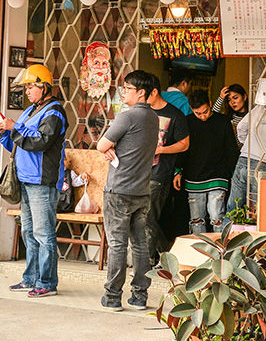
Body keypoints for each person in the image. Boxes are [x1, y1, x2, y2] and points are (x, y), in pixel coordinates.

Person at [0, 64, 68, 298]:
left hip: (42, 181)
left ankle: (47, 282)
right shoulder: (30, 111)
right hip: (25, 179)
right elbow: (17, 143)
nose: (27, 91)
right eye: (26, 87)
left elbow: (40, 142)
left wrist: (13, 126)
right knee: (28, 231)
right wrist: (4, 132)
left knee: (43, 233)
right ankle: (31, 278)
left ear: (45, 87)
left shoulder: (54, 112)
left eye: (31, 87)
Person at [96, 69, 159, 311]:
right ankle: (140, 296)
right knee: (140, 244)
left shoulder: (127, 117)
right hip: (142, 191)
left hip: (119, 189)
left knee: (118, 244)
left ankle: (112, 297)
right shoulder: (153, 118)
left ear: (141, 92)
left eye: (128, 88)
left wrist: (108, 148)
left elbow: (102, 144)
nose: (123, 92)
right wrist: (111, 148)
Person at [175, 90, 239, 234]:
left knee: (217, 217)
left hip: (218, 176)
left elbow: (231, 149)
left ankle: (219, 251)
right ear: (192, 109)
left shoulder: (223, 121)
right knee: (196, 220)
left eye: (205, 111)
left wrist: (234, 173)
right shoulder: (187, 122)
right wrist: (177, 171)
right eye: (198, 113)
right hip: (193, 177)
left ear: (210, 104)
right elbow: (182, 149)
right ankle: (200, 254)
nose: (203, 116)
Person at [146, 80, 189, 265]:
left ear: (154, 92)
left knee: (147, 217)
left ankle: (146, 261)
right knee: (145, 218)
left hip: (159, 173)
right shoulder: (142, 112)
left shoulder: (175, 114)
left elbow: (185, 144)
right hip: (138, 173)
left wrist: (161, 150)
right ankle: (169, 256)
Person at [224, 101, 266, 217]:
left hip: (244, 159)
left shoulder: (259, 109)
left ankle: (225, 233)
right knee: (260, 211)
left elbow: (241, 127)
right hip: (264, 163)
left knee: (233, 209)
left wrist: (248, 145)